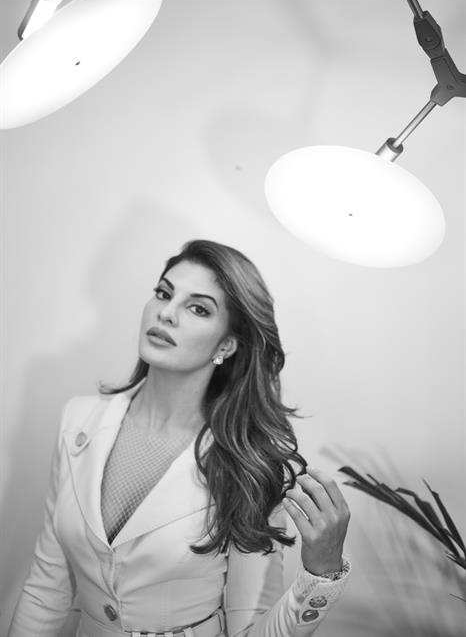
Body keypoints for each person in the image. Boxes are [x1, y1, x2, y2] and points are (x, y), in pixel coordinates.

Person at [8, 239, 351, 637]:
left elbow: (250, 630)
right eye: (163, 293)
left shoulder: (249, 465)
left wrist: (321, 573)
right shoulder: (78, 419)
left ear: (226, 345)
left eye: (198, 308)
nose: (166, 313)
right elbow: (47, 589)